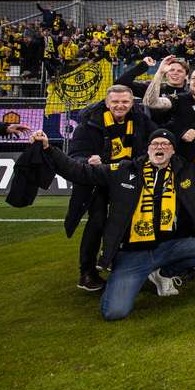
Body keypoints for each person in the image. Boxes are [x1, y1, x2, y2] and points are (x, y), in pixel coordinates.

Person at [32, 127, 195, 320]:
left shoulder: (184, 172)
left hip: (167, 248)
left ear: (173, 151)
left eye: (165, 144)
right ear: (148, 149)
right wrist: (49, 149)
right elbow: (80, 172)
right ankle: (134, 276)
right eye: (155, 143)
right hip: (132, 254)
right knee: (114, 312)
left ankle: (164, 273)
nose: (160, 147)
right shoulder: (123, 170)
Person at [66, 85, 157, 292]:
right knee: (97, 222)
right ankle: (87, 272)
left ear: (132, 103)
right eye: (115, 101)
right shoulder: (88, 125)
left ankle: (123, 266)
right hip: (99, 181)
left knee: (132, 222)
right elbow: (74, 157)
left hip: (129, 179)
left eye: (125, 101)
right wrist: (88, 161)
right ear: (107, 103)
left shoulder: (141, 120)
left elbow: (157, 136)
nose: (120, 105)